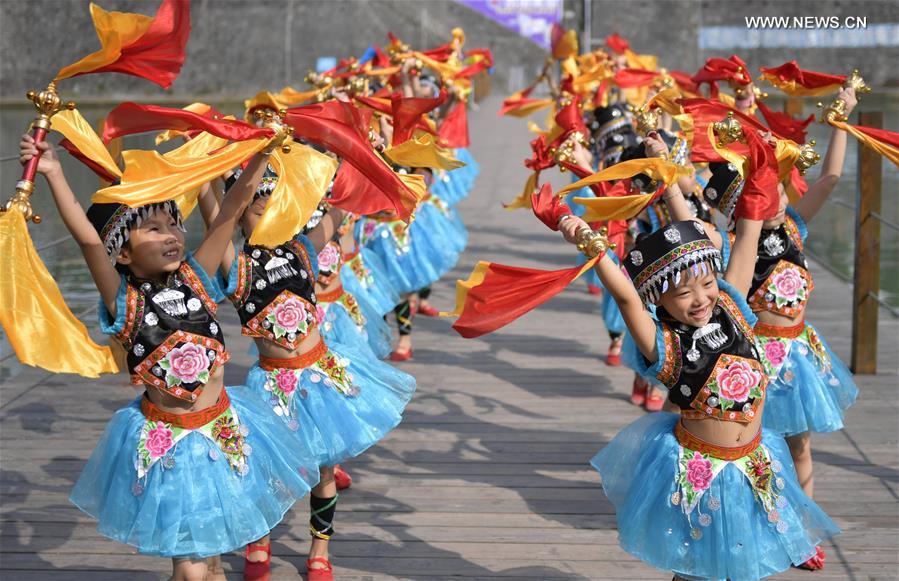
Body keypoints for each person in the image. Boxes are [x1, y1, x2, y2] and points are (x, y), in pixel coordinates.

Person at [21, 128, 321, 581]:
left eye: (175, 225)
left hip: (224, 430)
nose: (172, 236)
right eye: (154, 229)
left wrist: (262, 153)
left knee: (212, 559)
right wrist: (53, 173)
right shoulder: (124, 303)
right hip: (173, 446)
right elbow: (87, 240)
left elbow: (232, 209)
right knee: (195, 566)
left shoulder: (197, 278)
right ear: (121, 251)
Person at [556, 207, 839, 578]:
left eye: (707, 284)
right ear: (659, 300)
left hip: (753, 464)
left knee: (745, 565)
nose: (701, 298)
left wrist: (760, 180)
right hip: (702, 472)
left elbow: (747, 240)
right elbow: (626, 297)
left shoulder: (734, 310)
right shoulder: (665, 346)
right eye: (684, 293)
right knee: (696, 568)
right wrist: (590, 243)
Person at [200, 166, 416, 581]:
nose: (267, 215)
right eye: (256, 209)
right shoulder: (237, 266)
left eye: (275, 207)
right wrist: (209, 172)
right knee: (266, 467)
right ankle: (260, 540)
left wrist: (350, 156)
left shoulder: (302, 250)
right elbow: (217, 216)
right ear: (241, 216)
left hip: (319, 375)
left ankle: (320, 549)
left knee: (323, 470)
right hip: (272, 383)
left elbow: (337, 206)